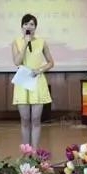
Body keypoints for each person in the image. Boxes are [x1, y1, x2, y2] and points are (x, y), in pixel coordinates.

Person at [12, 13, 54, 149]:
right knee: (25, 120)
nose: (28, 26)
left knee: (36, 119)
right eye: (26, 24)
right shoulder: (16, 42)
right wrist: (25, 43)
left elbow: (51, 62)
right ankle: (26, 151)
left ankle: (34, 151)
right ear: (22, 27)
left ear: (35, 27)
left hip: (37, 80)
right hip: (22, 81)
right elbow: (17, 62)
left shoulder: (42, 42)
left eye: (31, 24)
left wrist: (39, 70)